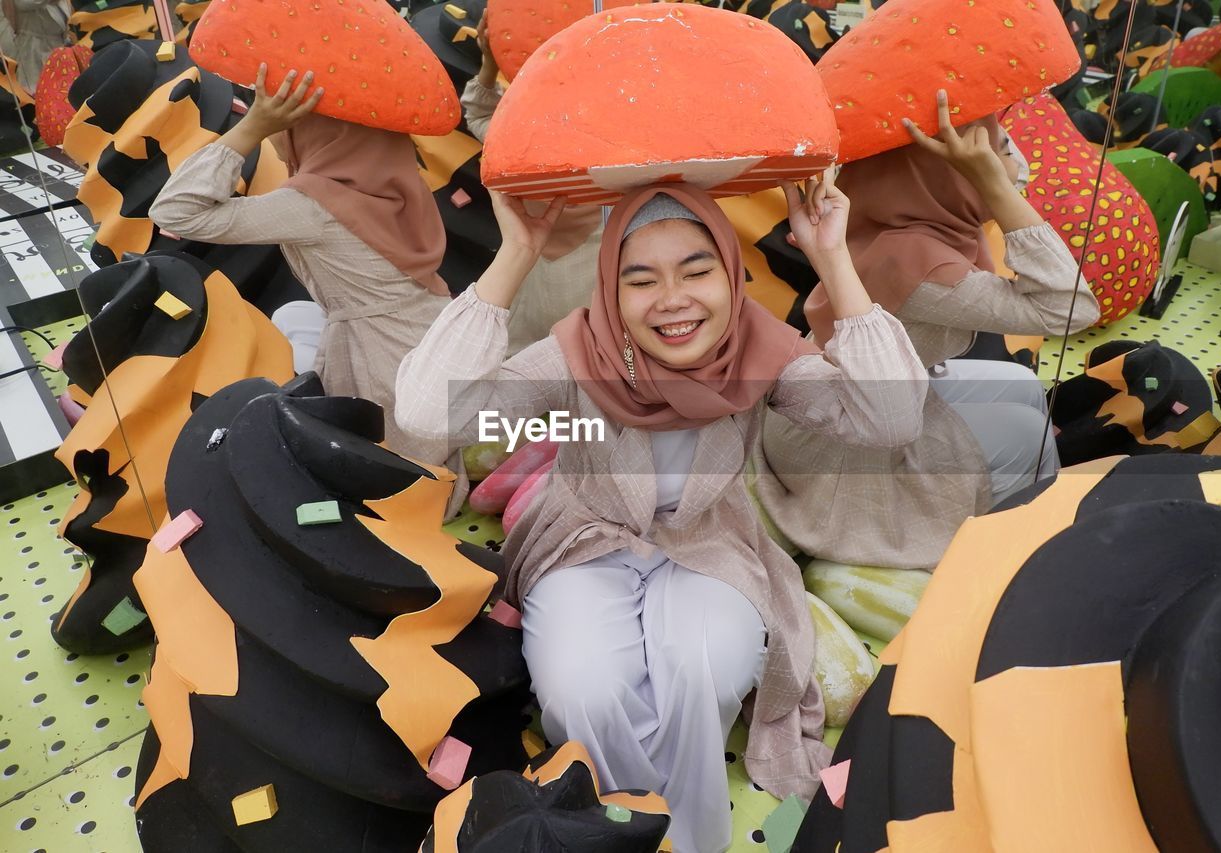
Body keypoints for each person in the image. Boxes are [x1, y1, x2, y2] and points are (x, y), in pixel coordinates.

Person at [394, 171, 929, 852]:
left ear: (731, 274)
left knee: (703, 666)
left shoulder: (756, 350)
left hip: (710, 542)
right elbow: (424, 413)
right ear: (611, 292)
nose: (672, 300)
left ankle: (683, 840)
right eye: (641, 279)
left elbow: (893, 415)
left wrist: (832, 257)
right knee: (584, 688)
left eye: (696, 270)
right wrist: (516, 256)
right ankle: (630, 836)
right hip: (580, 541)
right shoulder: (579, 351)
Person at [758, 92, 1100, 569]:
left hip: (853, 397)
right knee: (1027, 431)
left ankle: (1015, 522)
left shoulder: (906, 219)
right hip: (839, 444)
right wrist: (998, 191)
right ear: (945, 174)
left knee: (1023, 386)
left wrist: (986, 178)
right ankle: (1003, 555)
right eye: (1000, 150)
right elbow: (1071, 308)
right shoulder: (922, 261)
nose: (1016, 162)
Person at [150, 65, 455, 466]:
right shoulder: (387, 173)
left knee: (403, 479)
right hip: (433, 335)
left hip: (381, 359)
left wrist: (252, 128)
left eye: (290, 119)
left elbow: (175, 211)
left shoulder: (312, 206)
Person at [461, 9, 601, 357]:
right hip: (599, 289)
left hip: (529, 282)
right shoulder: (626, 152)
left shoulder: (516, 141)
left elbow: (479, 114)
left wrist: (490, 61)